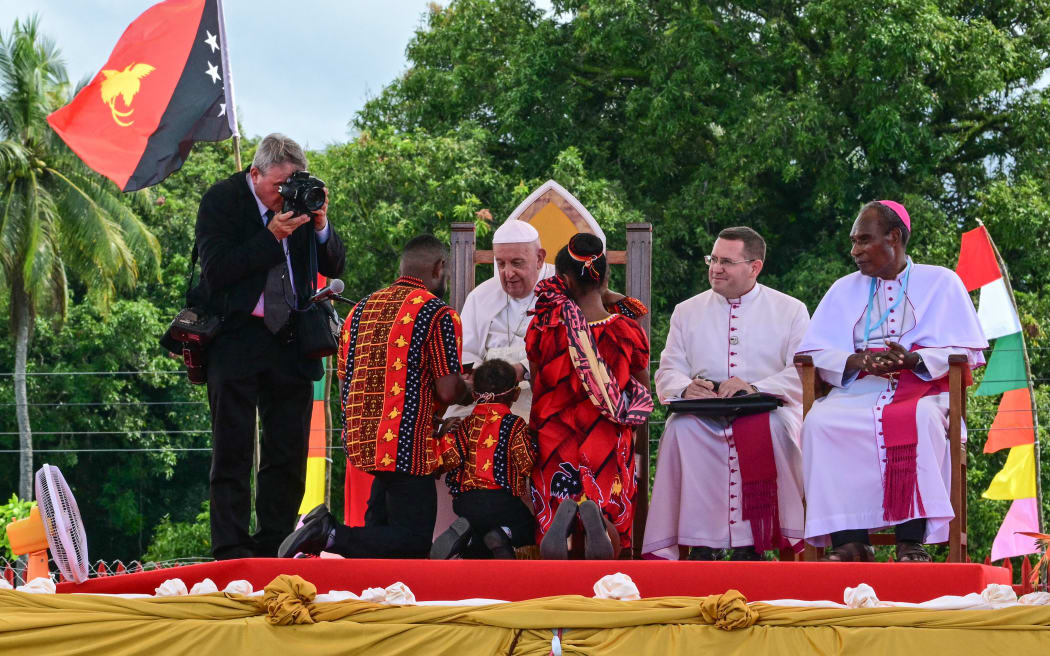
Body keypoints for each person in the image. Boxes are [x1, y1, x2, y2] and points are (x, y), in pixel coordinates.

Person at [797, 201, 987, 562]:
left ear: (894, 237)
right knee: (820, 422)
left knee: (922, 419)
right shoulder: (842, 289)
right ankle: (850, 542)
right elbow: (813, 353)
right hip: (857, 387)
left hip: (922, 388)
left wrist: (915, 359)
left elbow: (966, 351)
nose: (855, 251)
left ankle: (910, 540)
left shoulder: (942, 282)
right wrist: (855, 360)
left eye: (864, 241)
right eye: (853, 242)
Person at [193, 133, 346, 560]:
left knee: (288, 448)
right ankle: (231, 547)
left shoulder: (300, 201)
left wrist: (320, 225)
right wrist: (271, 235)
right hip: (236, 333)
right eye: (279, 186)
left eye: (292, 185)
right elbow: (217, 271)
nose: (285, 195)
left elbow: (336, 263)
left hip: (292, 336)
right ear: (254, 173)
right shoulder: (222, 200)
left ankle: (275, 542)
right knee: (233, 445)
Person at [278, 235, 470, 559]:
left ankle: (354, 570)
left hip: (364, 442)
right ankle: (329, 535)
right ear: (439, 268)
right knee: (413, 542)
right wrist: (469, 386)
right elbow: (448, 389)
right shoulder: (438, 314)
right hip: (408, 445)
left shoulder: (361, 309)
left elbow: (344, 376)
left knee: (381, 539)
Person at [642, 227, 810, 561]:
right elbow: (668, 368)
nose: (715, 268)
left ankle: (753, 545)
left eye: (727, 262)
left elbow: (803, 372)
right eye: (713, 259)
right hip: (703, 415)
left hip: (767, 410)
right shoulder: (686, 311)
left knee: (773, 430)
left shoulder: (790, 310)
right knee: (679, 430)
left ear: (754, 267)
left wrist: (755, 387)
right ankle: (700, 544)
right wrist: (686, 387)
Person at [527, 233, 653, 559]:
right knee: (609, 505)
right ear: (605, 278)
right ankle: (606, 535)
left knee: (556, 502)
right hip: (608, 442)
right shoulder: (627, 331)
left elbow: (540, 386)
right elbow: (640, 394)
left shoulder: (545, 326)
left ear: (564, 279)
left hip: (555, 440)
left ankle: (561, 530)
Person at [430, 359, 537, 559]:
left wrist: (441, 435)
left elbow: (445, 460)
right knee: (526, 528)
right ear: (516, 394)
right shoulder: (515, 425)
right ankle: (505, 534)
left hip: (467, 503)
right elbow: (526, 463)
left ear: (473, 395)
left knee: (483, 538)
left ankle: (467, 539)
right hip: (502, 502)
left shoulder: (464, 425)